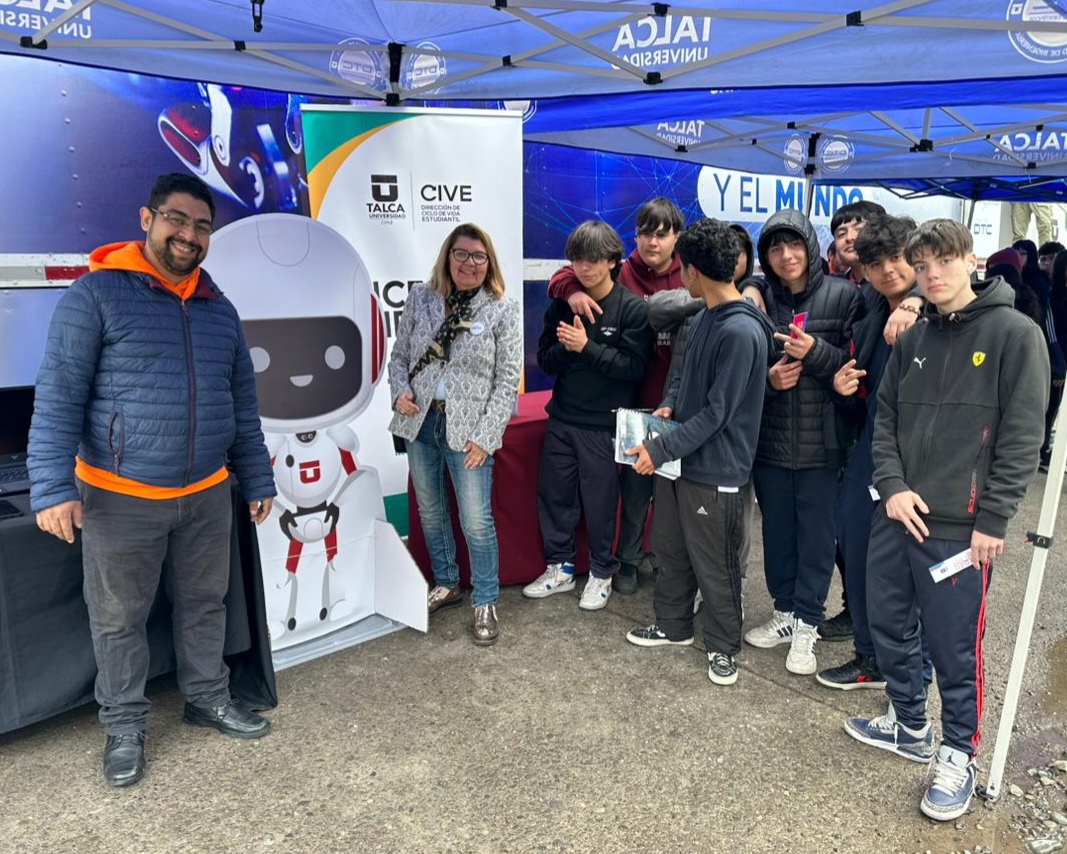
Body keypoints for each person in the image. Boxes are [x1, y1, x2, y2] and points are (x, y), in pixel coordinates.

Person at [28, 173, 277, 787]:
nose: (188, 235)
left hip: (206, 493)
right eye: (177, 219)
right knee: (118, 618)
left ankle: (207, 697)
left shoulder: (221, 310)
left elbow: (242, 405)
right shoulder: (96, 296)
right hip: (119, 498)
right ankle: (124, 726)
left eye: (201, 226)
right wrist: (52, 487)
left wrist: (258, 477)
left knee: (203, 605)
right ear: (147, 219)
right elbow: (57, 395)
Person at [846, 219, 1049, 822]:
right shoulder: (912, 339)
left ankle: (957, 753)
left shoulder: (1016, 334)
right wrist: (893, 487)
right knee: (885, 622)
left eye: (943, 261)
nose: (932, 275)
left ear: (970, 259)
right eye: (923, 265)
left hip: (961, 529)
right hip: (898, 513)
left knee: (956, 647)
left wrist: (993, 518)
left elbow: (1020, 436)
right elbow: (884, 421)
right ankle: (910, 724)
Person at [623, 218, 773, 686]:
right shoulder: (706, 315)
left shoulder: (742, 331)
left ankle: (723, 646)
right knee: (671, 550)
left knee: (717, 565)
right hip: (682, 462)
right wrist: (668, 407)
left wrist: (659, 447)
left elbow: (718, 413)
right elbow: (688, 383)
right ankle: (672, 626)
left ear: (690, 272)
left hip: (718, 471)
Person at [740, 209, 864, 676]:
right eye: (775, 247)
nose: (785, 255)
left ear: (810, 248)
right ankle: (786, 613)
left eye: (794, 245)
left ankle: (809, 621)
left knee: (816, 539)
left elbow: (855, 365)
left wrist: (815, 354)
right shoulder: (760, 298)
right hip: (771, 444)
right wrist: (770, 380)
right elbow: (746, 370)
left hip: (823, 444)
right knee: (777, 535)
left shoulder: (844, 295)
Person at [388, 223, 522, 647]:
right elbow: (399, 358)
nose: (470, 263)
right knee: (430, 510)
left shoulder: (501, 309)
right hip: (421, 422)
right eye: (462, 254)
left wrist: (486, 436)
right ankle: (446, 583)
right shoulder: (421, 299)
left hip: (470, 432)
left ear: (489, 264)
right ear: (448, 256)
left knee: (476, 520)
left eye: (479, 257)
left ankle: (485, 599)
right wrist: (399, 392)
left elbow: (506, 382)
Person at [546, 198, 684, 595]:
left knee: (673, 493)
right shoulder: (620, 271)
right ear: (633, 238)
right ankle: (625, 562)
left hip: (675, 396)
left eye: (661, 234)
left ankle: (666, 564)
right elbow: (566, 274)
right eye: (644, 233)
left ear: (676, 236)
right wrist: (571, 290)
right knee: (634, 490)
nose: (652, 242)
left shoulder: (688, 274)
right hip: (627, 404)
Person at [524, 221, 653, 610]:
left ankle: (601, 572)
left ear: (613, 261)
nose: (585, 267)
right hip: (562, 417)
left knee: (600, 504)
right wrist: (568, 348)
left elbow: (634, 369)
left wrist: (586, 347)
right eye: (578, 259)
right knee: (555, 495)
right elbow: (545, 360)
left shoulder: (630, 307)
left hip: (605, 425)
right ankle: (559, 567)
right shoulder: (562, 304)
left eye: (594, 259)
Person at [816, 215, 920, 691]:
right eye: (876, 263)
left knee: (907, 576)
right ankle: (870, 658)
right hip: (869, 454)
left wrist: (918, 301)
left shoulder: (943, 308)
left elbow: (984, 291)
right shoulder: (870, 310)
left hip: (921, 463)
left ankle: (909, 671)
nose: (888, 270)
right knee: (854, 554)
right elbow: (861, 395)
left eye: (897, 258)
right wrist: (841, 388)